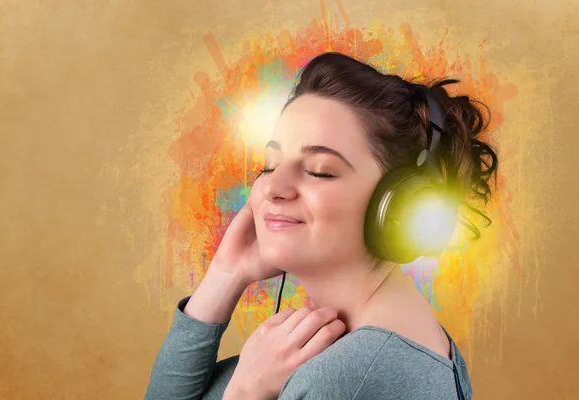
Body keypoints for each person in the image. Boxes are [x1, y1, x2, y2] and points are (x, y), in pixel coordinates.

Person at [144, 52, 497, 400]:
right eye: (270, 164)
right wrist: (225, 275)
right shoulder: (365, 344)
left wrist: (246, 393)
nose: (273, 188)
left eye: (319, 170)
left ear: (399, 205)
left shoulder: (344, 377)